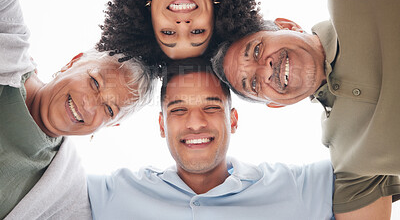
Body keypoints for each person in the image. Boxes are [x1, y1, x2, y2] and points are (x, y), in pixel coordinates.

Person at [211, 0, 400, 218]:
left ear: (287, 26)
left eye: (256, 50)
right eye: (253, 84)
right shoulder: (349, 164)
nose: (265, 69)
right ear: (276, 103)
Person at [0, 0, 155, 217]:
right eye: (94, 82)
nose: (89, 105)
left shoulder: (66, 192)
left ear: (110, 125)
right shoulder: (9, 40)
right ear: (73, 62)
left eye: (108, 110)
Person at [87, 58, 335, 220]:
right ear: (162, 125)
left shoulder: (302, 188)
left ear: (233, 120)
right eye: (179, 110)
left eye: (211, 107)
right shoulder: (111, 194)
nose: (195, 123)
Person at [96, 0, 274, 69]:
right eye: (197, 32)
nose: (183, 25)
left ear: (147, 11)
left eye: (168, 33)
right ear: (217, 10)